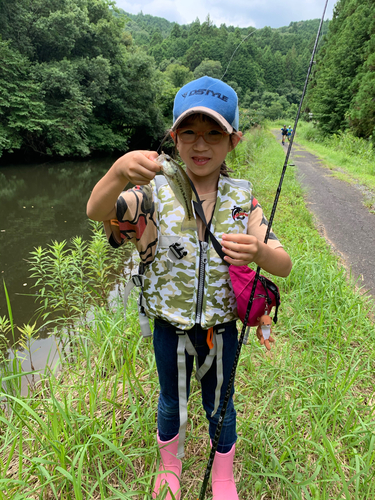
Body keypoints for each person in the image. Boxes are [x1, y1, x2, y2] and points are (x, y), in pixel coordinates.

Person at [87, 76, 292, 500]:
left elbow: (283, 264)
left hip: (221, 331)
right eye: (189, 133)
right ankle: (170, 466)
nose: (201, 145)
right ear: (173, 138)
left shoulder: (243, 200)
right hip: (169, 328)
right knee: (170, 404)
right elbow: (98, 210)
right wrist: (117, 171)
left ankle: (222, 476)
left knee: (221, 407)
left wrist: (257, 250)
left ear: (233, 140)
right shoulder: (152, 192)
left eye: (214, 133)